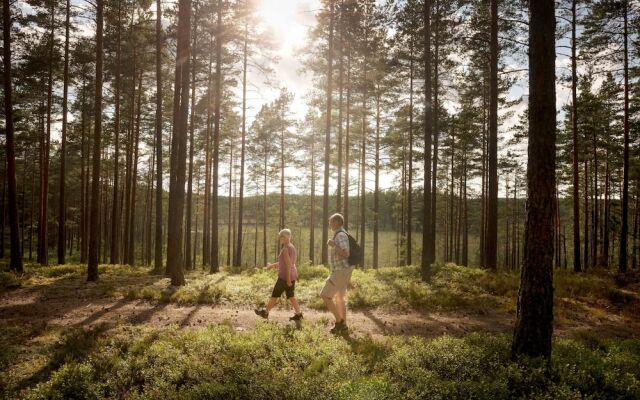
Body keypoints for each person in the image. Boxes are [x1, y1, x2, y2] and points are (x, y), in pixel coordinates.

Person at [255, 229, 303, 321]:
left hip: (284, 277)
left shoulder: (285, 249)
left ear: (286, 237)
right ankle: (299, 314)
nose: (280, 238)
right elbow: (285, 263)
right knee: (291, 296)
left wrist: (288, 279)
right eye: (280, 236)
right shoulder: (291, 247)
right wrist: (272, 266)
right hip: (290, 276)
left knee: (275, 295)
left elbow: (288, 265)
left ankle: (265, 312)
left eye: (282, 236)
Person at [321, 213, 353, 334]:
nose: (329, 224)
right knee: (339, 298)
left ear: (337, 222)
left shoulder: (340, 235)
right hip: (343, 270)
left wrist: (334, 245)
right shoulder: (342, 234)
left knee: (325, 295)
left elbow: (346, 253)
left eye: (331, 222)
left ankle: (339, 322)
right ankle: (343, 326)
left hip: (340, 271)